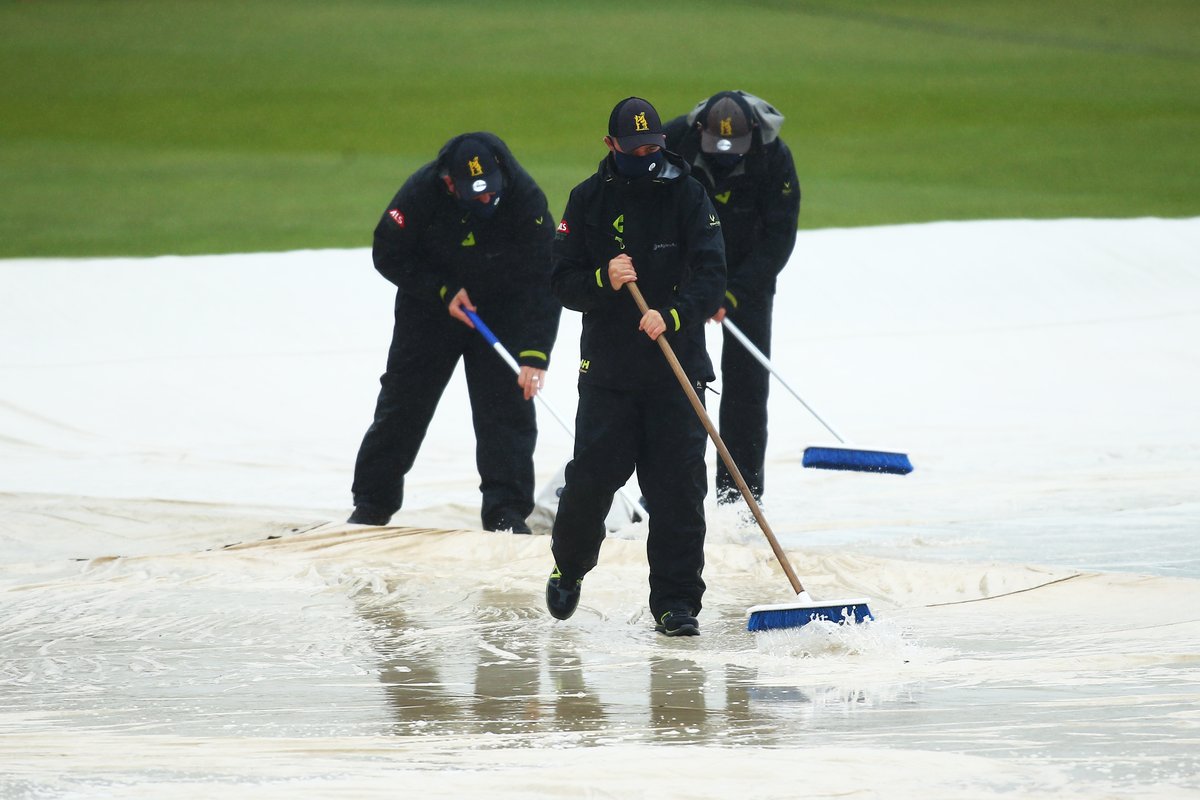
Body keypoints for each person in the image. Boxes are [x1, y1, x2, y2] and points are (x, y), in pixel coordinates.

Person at [544, 97, 726, 636]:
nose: (647, 157)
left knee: (677, 491)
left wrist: (673, 314)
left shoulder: (689, 195)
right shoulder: (586, 201)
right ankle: (570, 567)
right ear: (612, 146)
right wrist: (604, 279)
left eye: (655, 148)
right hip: (609, 375)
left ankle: (676, 604)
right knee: (591, 484)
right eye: (635, 148)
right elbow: (560, 280)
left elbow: (712, 272)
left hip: (676, 369)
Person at [348, 132, 561, 534]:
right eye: (474, 194)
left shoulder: (523, 197)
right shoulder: (422, 192)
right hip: (430, 310)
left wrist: (535, 352)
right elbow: (387, 251)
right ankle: (372, 505)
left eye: (490, 192)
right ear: (450, 183)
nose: (485, 201)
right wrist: (440, 290)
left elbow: (543, 275)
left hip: (501, 313)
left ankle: (506, 512)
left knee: (507, 412)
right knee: (403, 404)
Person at [664, 91, 801, 505]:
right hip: (683, 269)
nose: (725, 160)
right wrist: (695, 287)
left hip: (749, 274)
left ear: (754, 135)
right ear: (700, 132)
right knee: (679, 378)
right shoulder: (674, 142)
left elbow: (779, 238)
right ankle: (672, 491)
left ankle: (739, 499)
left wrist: (734, 293)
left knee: (746, 387)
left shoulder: (775, 157)